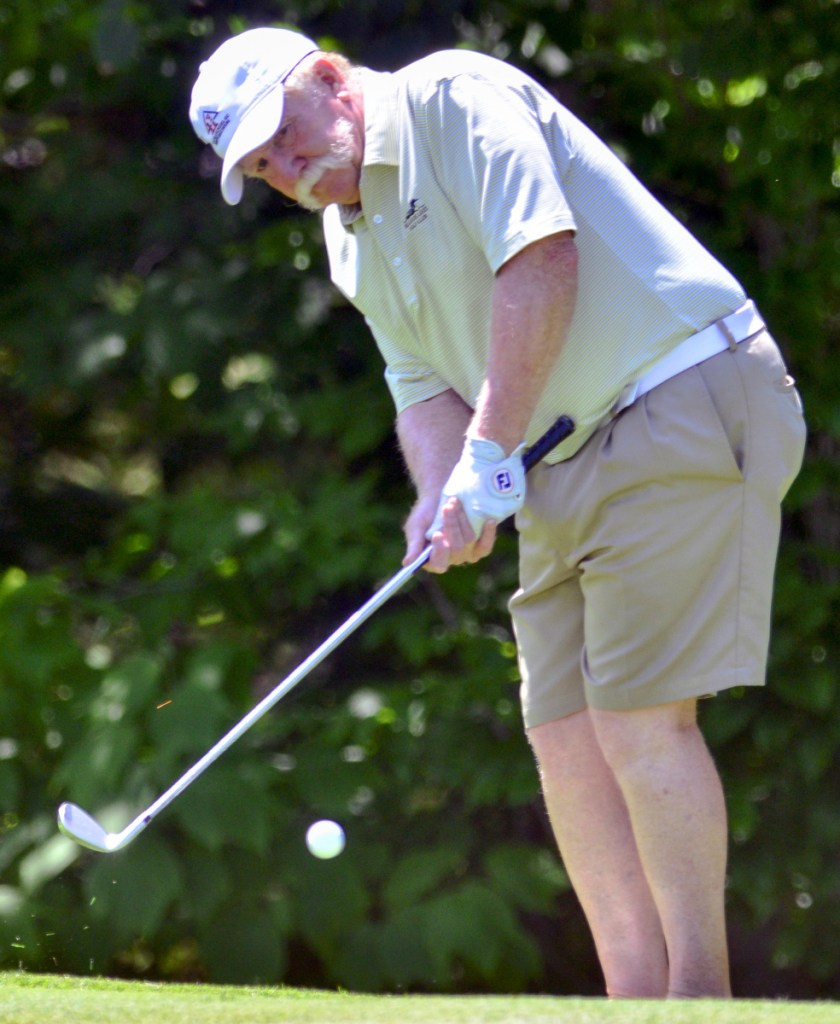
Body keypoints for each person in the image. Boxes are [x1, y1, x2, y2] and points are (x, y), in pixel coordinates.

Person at [189, 27, 806, 998]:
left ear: (329, 78)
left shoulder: (451, 97)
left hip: (682, 386)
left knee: (637, 717)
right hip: (561, 451)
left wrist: (485, 457)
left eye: (282, 133)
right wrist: (441, 495)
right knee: (562, 732)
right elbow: (416, 380)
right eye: (262, 165)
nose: (286, 166)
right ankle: (634, 1002)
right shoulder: (345, 235)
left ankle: (700, 1002)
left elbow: (540, 257)